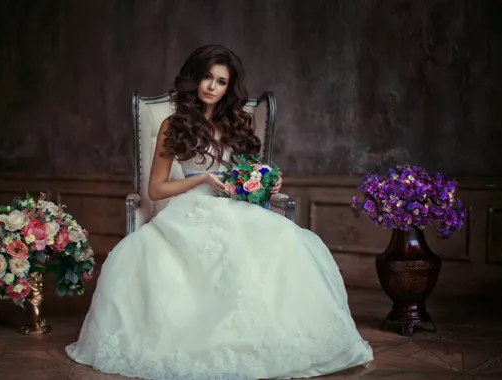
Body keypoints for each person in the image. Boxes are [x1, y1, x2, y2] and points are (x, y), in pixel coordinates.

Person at [66, 45, 374, 380]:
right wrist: (201, 178)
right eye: (207, 78)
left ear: (230, 87)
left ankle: (262, 339)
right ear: (194, 79)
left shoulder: (237, 123)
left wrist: (268, 180)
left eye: (221, 81)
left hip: (235, 206)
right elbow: (156, 190)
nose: (212, 87)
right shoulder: (175, 124)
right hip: (189, 208)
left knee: (285, 239)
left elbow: (246, 175)